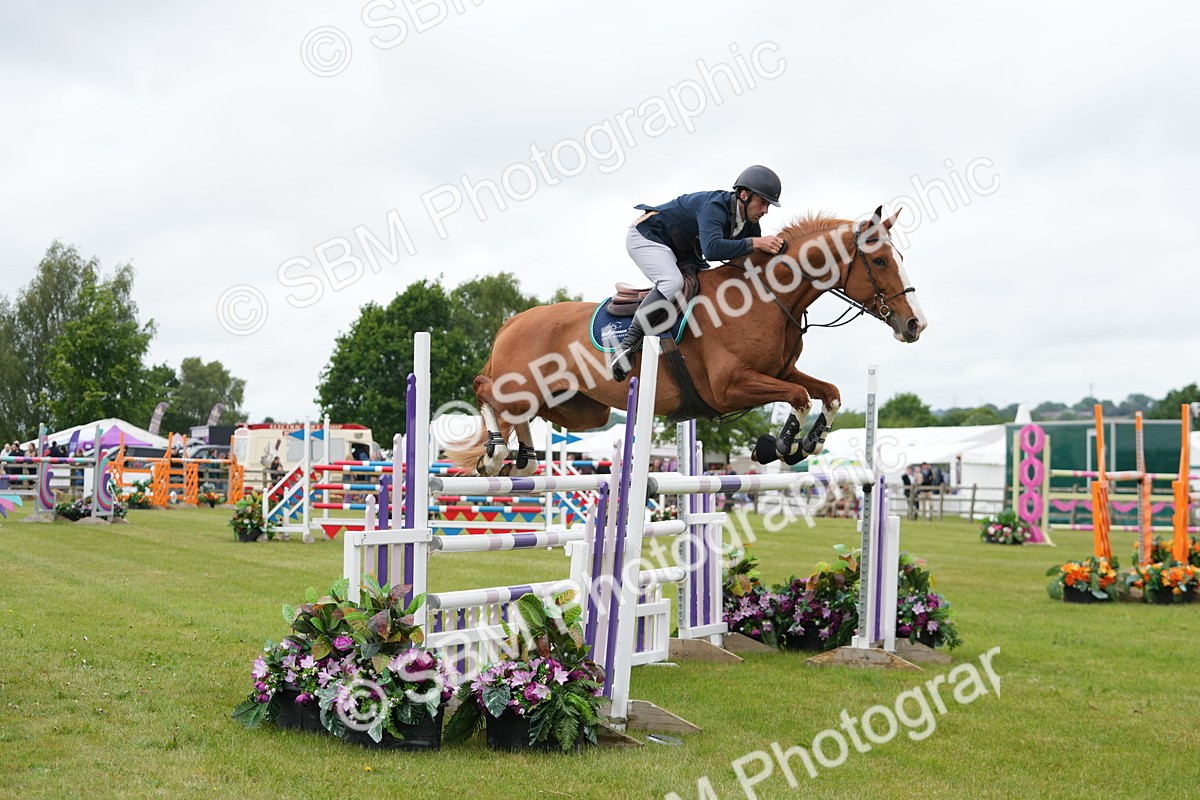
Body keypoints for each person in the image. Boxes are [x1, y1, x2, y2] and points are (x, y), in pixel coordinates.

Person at [609, 165, 787, 381]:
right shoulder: (715, 207)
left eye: (768, 205)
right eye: (763, 202)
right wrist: (757, 242)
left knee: (709, 286)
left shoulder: (750, 225)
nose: (765, 210)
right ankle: (626, 348)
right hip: (648, 237)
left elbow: (748, 263)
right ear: (744, 195)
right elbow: (712, 250)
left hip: (683, 251)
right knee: (672, 282)